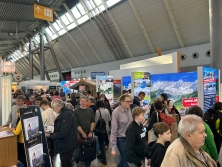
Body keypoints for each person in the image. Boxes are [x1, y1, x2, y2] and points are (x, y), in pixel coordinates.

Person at [50, 99, 78, 167]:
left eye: (53, 108)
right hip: (66, 144)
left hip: (67, 144)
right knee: (66, 162)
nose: (53, 110)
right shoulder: (64, 113)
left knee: (66, 162)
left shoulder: (66, 114)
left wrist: (52, 136)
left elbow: (64, 132)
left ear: (58, 106)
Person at [110, 94, 133, 167]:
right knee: (126, 159)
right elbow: (113, 130)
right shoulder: (116, 112)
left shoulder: (129, 110)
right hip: (121, 140)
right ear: (121, 102)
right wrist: (113, 148)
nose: (129, 103)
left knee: (124, 159)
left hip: (130, 139)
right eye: (127, 102)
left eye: (130, 101)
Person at [74, 96, 95, 167]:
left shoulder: (90, 110)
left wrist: (91, 132)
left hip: (89, 132)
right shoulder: (76, 111)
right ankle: (78, 163)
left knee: (89, 149)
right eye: (81, 101)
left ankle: (87, 164)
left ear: (87, 102)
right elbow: (76, 124)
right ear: (79, 102)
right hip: (79, 133)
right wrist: (82, 133)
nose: (83, 102)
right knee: (79, 150)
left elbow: (92, 121)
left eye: (84, 101)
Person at [95, 100, 111, 165]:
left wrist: (94, 129)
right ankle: (102, 154)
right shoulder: (107, 110)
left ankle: (104, 158)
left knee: (101, 143)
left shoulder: (97, 111)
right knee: (103, 141)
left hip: (100, 129)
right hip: (106, 128)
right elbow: (109, 119)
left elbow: (96, 121)